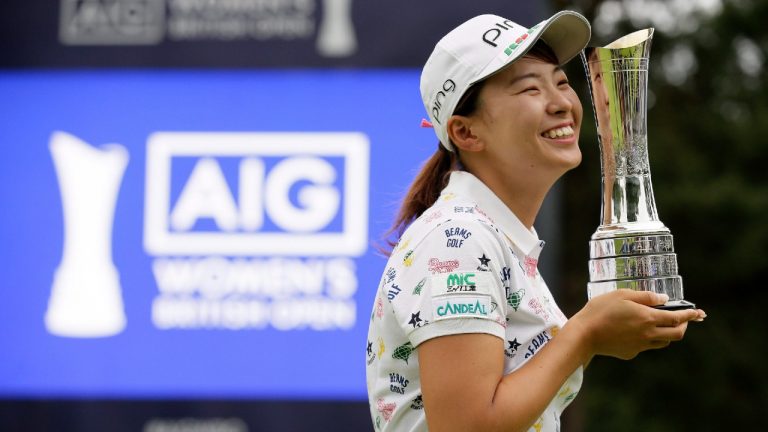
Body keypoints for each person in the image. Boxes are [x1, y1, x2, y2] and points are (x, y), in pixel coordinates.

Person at [365, 10, 706, 432]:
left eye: (561, 82)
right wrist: (585, 334)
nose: (562, 102)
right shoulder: (458, 240)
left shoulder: (492, 237)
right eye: (530, 88)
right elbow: (465, 426)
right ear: (466, 133)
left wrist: (590, 336)